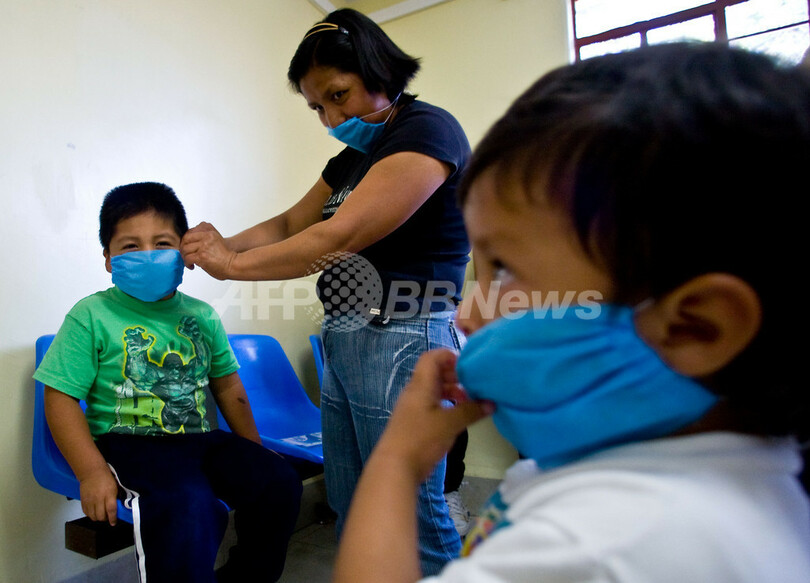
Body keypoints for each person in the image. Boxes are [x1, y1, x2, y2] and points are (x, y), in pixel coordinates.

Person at [330, 43, 810, 583]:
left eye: (504, 270)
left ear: (697, 326)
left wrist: (396, 462)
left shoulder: (608, 543)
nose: (466, 315)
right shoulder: (702, 485)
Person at [180, 8, 471, 574]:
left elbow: (339, 236)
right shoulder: (353, 158)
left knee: (411, 513)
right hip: (347, 335)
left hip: (403, 336)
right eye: (317, 107)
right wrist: (219, 244)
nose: (331, 118)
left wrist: (232, 265)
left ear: (380, 72)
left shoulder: (427, 131)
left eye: (338, 96)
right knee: (353, 503)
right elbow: (293, 223)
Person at [34, 182, 302, 583]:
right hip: (129, 443)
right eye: (130, 246)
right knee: (188, 505)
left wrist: (253, 450)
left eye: (162, 243)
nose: (148, 255)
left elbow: (228, 388)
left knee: (278, 482)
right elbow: (60, 398)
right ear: (108, 258)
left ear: (185, 252)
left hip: (200, 440)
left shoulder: (202, 316)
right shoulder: (90, 315)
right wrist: (91, 472)